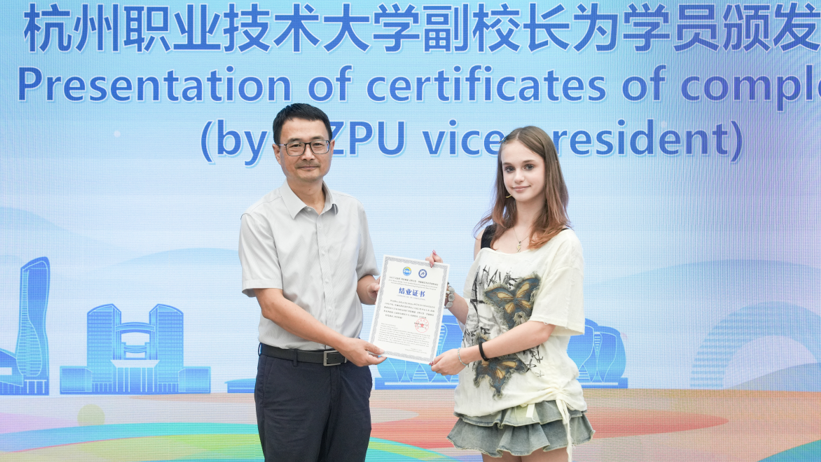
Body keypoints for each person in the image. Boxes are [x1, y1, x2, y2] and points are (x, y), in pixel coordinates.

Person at [427, 126, 594, 462]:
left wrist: (465, 356)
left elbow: (540, 329)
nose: (517, 177)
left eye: (528, 166)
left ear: (549, 169)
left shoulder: (563, 243)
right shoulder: (488, 237)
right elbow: (482, 320)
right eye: (509, 168)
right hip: (490, 395)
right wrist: (445, 294)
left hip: (539, 395)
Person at [238, 103, 386, 462]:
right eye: (295, 145)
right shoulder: (259, 218)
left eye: (317, 144)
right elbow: (272, 306)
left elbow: (362, 280)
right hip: (291, 374)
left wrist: (381, 290)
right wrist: (343, 343)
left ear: (331, 147)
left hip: (350, 374)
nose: (308, 154)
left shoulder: (352, 209)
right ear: (277, 153)